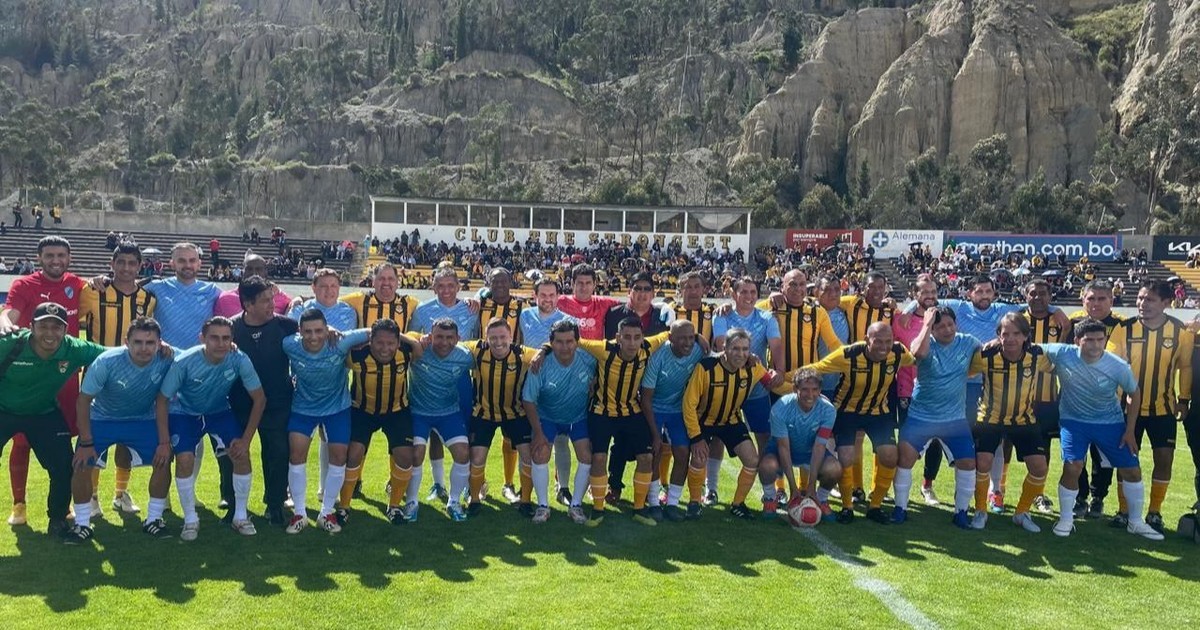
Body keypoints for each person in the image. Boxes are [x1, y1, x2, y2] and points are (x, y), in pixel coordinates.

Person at [1042, 319, 1163, 540]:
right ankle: (1066, 519)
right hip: (1073, 422)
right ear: (1077, 341)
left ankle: (1135, 522)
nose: (1096, 345)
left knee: (1132, 471)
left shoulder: (1118, 365)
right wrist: (995, 342)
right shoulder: (1062, 353)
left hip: (1110, 423)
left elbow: (1134, 393)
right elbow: (1028, 346)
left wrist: (1130, 430)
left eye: (1100, 339)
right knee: (1072, 466)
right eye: (1089, 340)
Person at [0, 235, 88, 526]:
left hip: (65, 377)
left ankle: (64, 503)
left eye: (61, 255)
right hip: (31, 375)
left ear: (69, 258)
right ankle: (19, 504)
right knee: (22, 443)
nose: (55, 261)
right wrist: (4, 322)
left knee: (63, 442)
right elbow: (9, 313)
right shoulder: (24, 285)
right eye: (49, 255)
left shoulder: (78, 285)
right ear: (39, 258)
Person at [0, 303, 108, 538]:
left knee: (64, 466)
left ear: (66, 330)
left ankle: (58, 519)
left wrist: (161, 349)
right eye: (43, 326)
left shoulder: (73, 349)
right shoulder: (9, 343)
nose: (50, 333)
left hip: (43, 412)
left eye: (56, 327)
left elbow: (113, 355)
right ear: (31, 327)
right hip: (3, 409)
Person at [157, 316, 266, 541]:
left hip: (218, 411)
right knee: (185, 460)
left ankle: (240, 516)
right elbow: (162, 399)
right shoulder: (185, 361)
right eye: (214, 338)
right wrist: (165, 441)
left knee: (241, 455)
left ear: (232, 340)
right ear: (202, 338)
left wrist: (246, 440)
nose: (221, 343)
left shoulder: (239, 359)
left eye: (226, 338)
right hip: (185, 413)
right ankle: (190, 520)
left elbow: (260, 399)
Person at [66, 318, 174, 542]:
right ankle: (82, 524)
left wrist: (230, 347)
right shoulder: (107, 361)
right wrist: (85, 442)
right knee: (82, 463)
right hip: (102, 418)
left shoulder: (167, 357)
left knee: (164, 459)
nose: (144, 348)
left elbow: (199, 355)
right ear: (126, 342)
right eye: (138, 342)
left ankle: (154, 519)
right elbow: (83, 400)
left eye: (150, 343)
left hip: (142, 419)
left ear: (159, 343)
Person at [805, 321, 916, 524]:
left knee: (890, 456)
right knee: (846, 457)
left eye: (888, 341)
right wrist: (779, 379)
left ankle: (875, 507)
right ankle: (847, 507)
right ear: (867, 340)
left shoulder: (899, 352)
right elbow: (816, 368)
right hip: (847, 411)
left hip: (878, 412)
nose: (884, 347)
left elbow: (918, 360)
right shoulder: (848, 355)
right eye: (878, 341)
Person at [1104, 280, 1193, 532]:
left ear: (1166, 303)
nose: (1143, 304)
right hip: (1126, 409)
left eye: (1150, 299)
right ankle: (1124, 511)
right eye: (1141, 298)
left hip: (1163, 409)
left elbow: (1185, 366)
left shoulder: (1180, 331)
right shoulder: (1124, 328)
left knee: (1164, 459)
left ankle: (1155, 512)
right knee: (1126, 460)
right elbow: (1111, 365)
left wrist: (1183, 399)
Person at [77, 242, 159, 516]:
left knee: (125, 439)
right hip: (98, 376)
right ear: (111, 264)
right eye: (120, 262)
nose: (126, 268)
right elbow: (74, 321)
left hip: (135, 379)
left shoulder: (148, 299)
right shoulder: (93, 291)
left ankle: (120, 494)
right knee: (95, 438)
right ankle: (92, 497)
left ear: (140, 266)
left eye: (132, 263)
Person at [568, 317, 669, 526]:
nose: (632, 342)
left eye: (637, 337)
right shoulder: (604, 349)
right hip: (601, 411)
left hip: (631, 411)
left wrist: (697, 337)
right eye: (627, 337)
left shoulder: (647, 348)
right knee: (598, 458)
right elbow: (572, 340)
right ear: (617, 337)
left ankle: (639, 509)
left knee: (646, 457)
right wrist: (544, 350)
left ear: (642, 338)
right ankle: (598, 509)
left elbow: (669, 334)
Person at [682, 329, 787, 520]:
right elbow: (689, 404)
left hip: (731, 420)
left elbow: (772, 383)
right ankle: (694, 502)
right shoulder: (706, 367)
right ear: (725, 348)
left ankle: (738, 504)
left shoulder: (753, 366)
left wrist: (801, 388)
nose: (741, 354)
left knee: (752, 460)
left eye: (745, 349)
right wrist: (696, 437)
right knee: (698, 458)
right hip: (703, 421)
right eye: (735, 349)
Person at [281, 311, 370, 534]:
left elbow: (374, 331)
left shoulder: (339, 341)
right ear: (300, 331)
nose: (314, 336)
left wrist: (416, 340)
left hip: (336, 409)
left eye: (319, 330)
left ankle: (327, 512)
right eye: (308, 331)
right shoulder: (289, 344)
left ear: (326, 328)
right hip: (303, 408)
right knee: (296, 455)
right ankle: (299, 513)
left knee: (339, 457)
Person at [892, 306, 979, 528]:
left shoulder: (968, 342)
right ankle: (900, 508)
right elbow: (917, 353)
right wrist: (926, 324)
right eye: (940, 326)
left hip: (954, 419)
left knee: (968, 462)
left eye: (950, 324)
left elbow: (987, 353)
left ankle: (961, 512)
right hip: (921, 416)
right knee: (905, 459)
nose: (947, 330)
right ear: (932, 329)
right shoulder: (924, 342)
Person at [968, 314, 1054, 532]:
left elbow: (1059, 366)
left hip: (1023, 419)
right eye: (1005, 334)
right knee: (983, 462)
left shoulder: (1037, 355)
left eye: (1016, 333)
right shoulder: (985, 355)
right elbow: (965, 372)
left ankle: (1021, 512)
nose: (1011, 339)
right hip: (990, 417)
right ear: (998, 335)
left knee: (1039, 467)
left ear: (1026, 336)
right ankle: (980, 510)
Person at [339, 318, 422, 524]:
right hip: (362, 411)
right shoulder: (356, 356)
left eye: (391, 343)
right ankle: (344, 507)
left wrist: (403, 337)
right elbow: (339, 350)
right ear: (370, 340)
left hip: (396, 411)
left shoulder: (406, 352)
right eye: (379, 342)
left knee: (406, 457)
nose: (385, 348)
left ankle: (394, 507)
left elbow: (419, 348)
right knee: (353, 454)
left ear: (398, 342)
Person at [229, 277, 298, 527]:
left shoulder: (287, 326)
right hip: (240, 402)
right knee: (234, 451)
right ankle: (234, 504)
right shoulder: (231, 328)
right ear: (248, 304)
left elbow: (313, 337)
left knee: (278, 451)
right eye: (265, 300)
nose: (272, 304)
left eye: (272, 298)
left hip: (277, 402)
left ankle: (275, 503)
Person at [710, 277, 785, 503]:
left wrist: (779, 370)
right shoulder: (722, 315)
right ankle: (711, 489)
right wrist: (745, 357)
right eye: (744, 292)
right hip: (727, 387)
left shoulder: (766, 317)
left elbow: (776, 345)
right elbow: (721, 344)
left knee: (764, 437)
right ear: (734, 294)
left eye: (753, 292)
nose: (749, 296)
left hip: (756, 388)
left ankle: (772, 491)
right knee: (718, 436)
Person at [602, 272, 673, 504]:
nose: (642, 293)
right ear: (629, 291)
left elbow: (677, 334)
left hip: (655, 385)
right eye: (638, 288)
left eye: (647, 289)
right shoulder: (614, 314)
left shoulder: (663, 315)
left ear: (653, 293)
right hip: (621, 387)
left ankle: (656, 490)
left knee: (656, 441)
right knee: (620, 441)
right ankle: (615, 486)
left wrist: (699, 338)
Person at [522, 319, 598, 525]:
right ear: (551, 343)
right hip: (548, 417)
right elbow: (528, 400)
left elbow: (606, 371)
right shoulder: (540, 364)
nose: (565, 347)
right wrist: (538, 433)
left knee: (587, 455)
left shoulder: (589, 359)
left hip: (578, 417)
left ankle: (576, 505)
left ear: (577, 342)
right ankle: (543, 506)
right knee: (540, 453)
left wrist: (595, 384)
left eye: (569, 341)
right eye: (559, 342)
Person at [404, 318, 476, 522]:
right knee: (416, 454)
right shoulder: (419, 349)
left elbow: (490, 353)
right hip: (418, 412)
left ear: (458, 338)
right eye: (439, 337)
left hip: (449, 413)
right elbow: (393, 334)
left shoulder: (465, 356)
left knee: (463, 453)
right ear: (430, 336)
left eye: (449, 337)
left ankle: (454, 501)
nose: (444, 342)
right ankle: (411, 501)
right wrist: (414, 340)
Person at [1065, 280, 1126, 519]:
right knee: (1076, 453)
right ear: (1083, 299)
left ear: (1112, 300)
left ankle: (1098, 496)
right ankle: (1079, 497)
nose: (1096, 303)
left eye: (1102, 298)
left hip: (1109, 404)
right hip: (1075, 402)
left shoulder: (1123, 324)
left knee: (1103, 455)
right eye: (1091, 298)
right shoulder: (1072, 322)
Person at [465, 319, 536, 517]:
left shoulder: (523, 353)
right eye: (493, 338)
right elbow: (451, 344)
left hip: (515, 414)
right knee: (477, 458)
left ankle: (525, 501)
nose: (498, 342)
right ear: (486, 338)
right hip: (483, 414)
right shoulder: (477, 349)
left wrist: (543, 352)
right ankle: (474, 499)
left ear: (511, 336)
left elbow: (548, 353)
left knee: (527, 456)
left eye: (503, 337)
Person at [641, 320, 706, 521]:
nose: (688, 343)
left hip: (678, 410)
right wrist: (655, 434)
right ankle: (653, 502)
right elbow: (646, 398)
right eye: (682, 338)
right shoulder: (657, 357)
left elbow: (718, 360)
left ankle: (672, 503)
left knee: (683, 452)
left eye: (691, 337)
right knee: (655, 452)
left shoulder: (698, 351)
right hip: (654, 408)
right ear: (670, 338)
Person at [473, 268, 528, 504]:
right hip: (483, 373)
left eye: (504, 280)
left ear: (511, 282)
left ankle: (509, 484)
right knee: (478, 441)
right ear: (488, 283)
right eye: (494, 281)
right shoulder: (480, 304)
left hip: (514, 374)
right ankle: (479, 484)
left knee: (510, 437)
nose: (499, 285)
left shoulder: (522, 306)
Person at [758, 369, 841, 520]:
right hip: (783, 450)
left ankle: (820, 499)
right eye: (805, 389)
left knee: (834, 468)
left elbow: (819, 446)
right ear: (795, 389)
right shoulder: (781, 408)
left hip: (810, 451)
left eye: (815, 389)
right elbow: (783, 448)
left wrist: (811, 486)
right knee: (767, 465)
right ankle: (770, 498)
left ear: (820, 390)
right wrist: (793, 488)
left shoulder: (828, 410)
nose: (810, 394)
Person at [892, 276, 944, 507]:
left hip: (936, 392)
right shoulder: (901, 321)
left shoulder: (944, 318)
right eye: (925, 292)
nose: (930, 296)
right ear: (915, 294)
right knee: (907, 443)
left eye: (933, 291)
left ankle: (927, 485)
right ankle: (901, 488)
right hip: (907, 391)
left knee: (935, 442)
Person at [1020, 278, 1069, 513]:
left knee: (1043, 448)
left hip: (1048, 398)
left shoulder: (1060, 322)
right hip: (1016, 398)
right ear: (1025, 295)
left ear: (1050, 297)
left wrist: (1066, 329)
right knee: (1005, 444)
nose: (1037, 297)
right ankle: (997, 490)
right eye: (1033, 293)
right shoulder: (1017, 319)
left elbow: (1064, 355)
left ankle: (1038, 494)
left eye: (1042, 293)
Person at [214, 254, 292, 318]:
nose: (254, 273)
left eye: (258, 269)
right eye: (249, 269)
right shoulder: (225, 299)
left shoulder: (282, 300)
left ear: (266, 272)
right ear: (242, 271)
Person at [557, 264, 620, 341]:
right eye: (580, 283)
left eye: (588, 283)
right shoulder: (560, 302)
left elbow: (629, 307)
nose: (584, 288)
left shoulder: (603, 303)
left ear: (594, 284)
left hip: (595, 348)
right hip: (568, 348)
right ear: (572, 284)